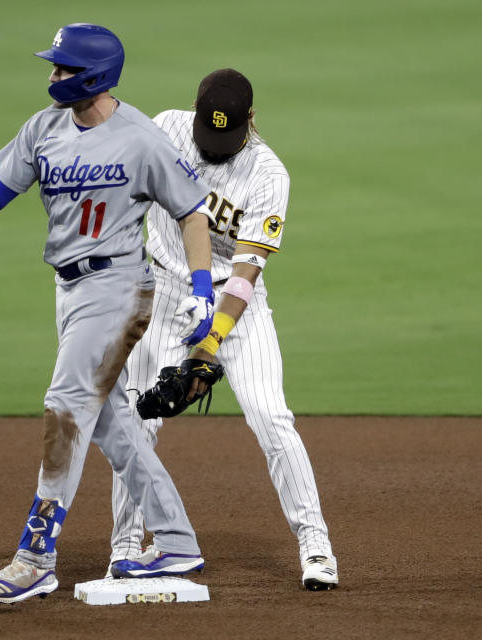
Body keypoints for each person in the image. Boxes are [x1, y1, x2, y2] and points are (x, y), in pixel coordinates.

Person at [0, 23, 220, 604]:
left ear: (95, 76)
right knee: (109, 420)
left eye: (63, 69)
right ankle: (177, 540)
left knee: (66, 407)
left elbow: (192, 211)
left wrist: (203, 287)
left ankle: (36, 556)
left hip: (122, 288)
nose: (53, 77)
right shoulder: (44, 128)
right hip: (71, 293)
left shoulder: (142, 138)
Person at [108, 69, 339, 590]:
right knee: (136, 420)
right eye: (207, 139)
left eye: (226, 139)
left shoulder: (268, 174)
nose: (213, 150)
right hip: (165, 292)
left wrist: (212, 339)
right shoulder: (166, 128)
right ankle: (124, 547)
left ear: (250, 122)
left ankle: (316, 545)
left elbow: (248, 269)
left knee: (271, 418)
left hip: (237, 301)